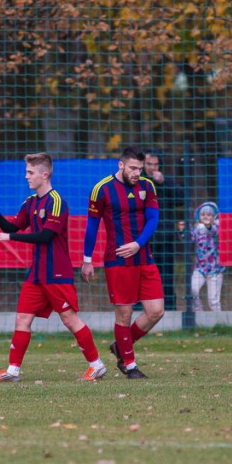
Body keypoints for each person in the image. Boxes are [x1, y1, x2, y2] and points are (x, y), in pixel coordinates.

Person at [0, 152, 107, 383]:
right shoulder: (30, 202)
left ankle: (96, 365)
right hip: (37, 274)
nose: (26, 177)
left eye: (30, 173)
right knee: (22, 319)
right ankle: (13, 370)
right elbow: (13, 225)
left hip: (57, 273)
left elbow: (45, 236)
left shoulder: (57, 202)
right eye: (26, 172)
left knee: (70, 320)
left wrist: (10, 238)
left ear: (45, 174)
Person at [82, 146, 165, 379]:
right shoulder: (102, 189)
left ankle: (121, 345)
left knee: (156, 311)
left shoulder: (147, 187)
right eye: (133, 168)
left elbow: (153, 219)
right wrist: (87, 260)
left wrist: (138, 244)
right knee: (124, 314)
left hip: (144, 257)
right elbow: (92, 226)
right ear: (121, 165)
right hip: (117, 259)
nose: (137, 172)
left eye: (140, 168)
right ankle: (129, 365)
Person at [143, 150, 181, 310]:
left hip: (165, 237)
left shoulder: (166, 181)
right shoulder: (137, 182)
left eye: (155, 164)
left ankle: (170, 307)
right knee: (144, 275)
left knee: (166, 275)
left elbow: (181, 198)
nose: (152, 167)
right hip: (144, 238)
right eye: (149, 164)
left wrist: (164, 182)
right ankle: (143, 307)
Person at [181, 201, 225, 312]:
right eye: (203, 214)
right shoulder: (197, 229)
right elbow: (188, 239)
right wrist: (182, 230)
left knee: (213, 300)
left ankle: (219, 323)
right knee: (192, 289)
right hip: (200, 268)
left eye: (209, 215)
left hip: (215, 269)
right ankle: (198, 311)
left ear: (213, 217)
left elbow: (214, 232)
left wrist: (209, 226)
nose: (206, 217)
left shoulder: (217, 228)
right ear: (199, 217)